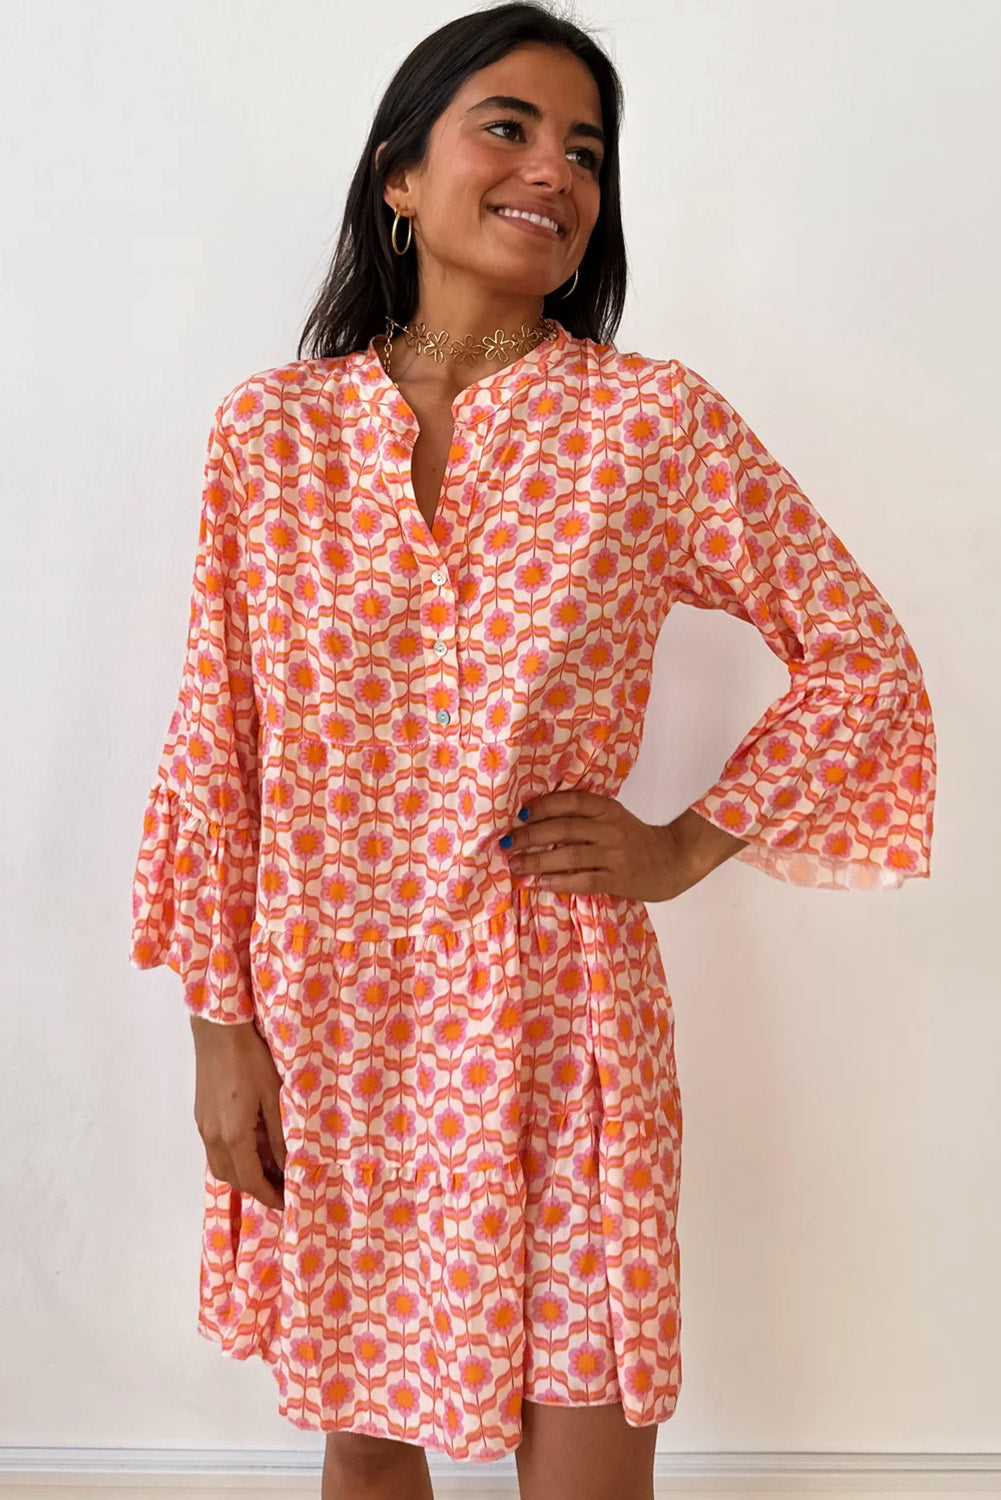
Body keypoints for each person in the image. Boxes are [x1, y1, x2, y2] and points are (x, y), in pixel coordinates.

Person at [128, 4, 937, 1497]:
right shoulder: (272, 438)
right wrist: (217, 1031)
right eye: (507, 127)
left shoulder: (648, 425)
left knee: (581, 1460)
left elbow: (860, 656)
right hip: (338, 1016)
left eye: (587, 150)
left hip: (558, 1013)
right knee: (366, 1455)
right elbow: (214, 746)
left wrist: (685, 842)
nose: (555, 172)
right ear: (398, 176)